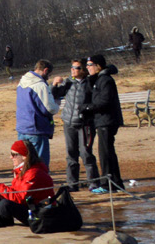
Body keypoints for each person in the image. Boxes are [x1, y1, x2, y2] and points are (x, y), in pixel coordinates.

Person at [0, 139, 54, 230]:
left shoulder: (33, 173)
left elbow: (20, 198)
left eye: (14, 155)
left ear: (24, 156)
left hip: (38, 214)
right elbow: (15, 191)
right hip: (29, 206)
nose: (11, 157)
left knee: (5, 204)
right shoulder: (23, 170)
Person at [82, 54, 125, 194]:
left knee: (105, 153)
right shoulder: (97, 79)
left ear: (98, 66)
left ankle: (107, 184)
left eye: (90, 65)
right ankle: (116, 183)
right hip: (101, 120)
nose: (87, 68)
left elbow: (104, 102)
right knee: (108, 152)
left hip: (107, 120)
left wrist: (87, 107)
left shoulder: (105, 80)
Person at [53, 60, 98, 191]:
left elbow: (96, 101)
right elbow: (55, 94)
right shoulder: (69, 82)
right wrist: (55, 84)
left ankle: (94, 183)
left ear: (83, 70)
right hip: (69, 123)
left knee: (86, 154)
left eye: (76, 68)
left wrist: (86, 112)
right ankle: (72, 184)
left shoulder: (90, 83)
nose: (73, 70)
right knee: (71, 155)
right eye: (72, 67)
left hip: (85, 124)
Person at [15, 59, 59, 167]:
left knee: (24, 163)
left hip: (22, 128)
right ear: (45, 70)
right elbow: (49, 108)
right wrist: (57, 104)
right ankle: (41, 183)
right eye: (49, 74)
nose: (48, 77)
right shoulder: (39, 85)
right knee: (40, 163)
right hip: (36, 129)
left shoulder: (21, 83)